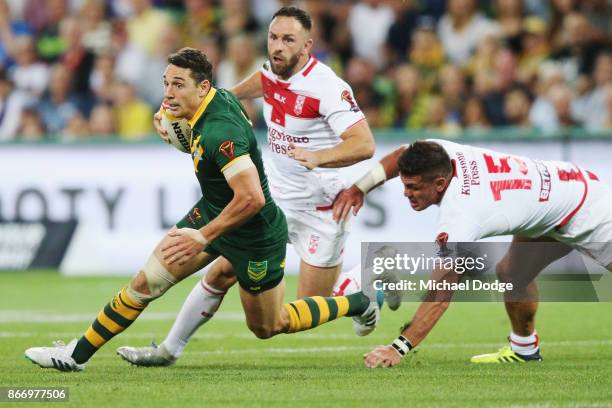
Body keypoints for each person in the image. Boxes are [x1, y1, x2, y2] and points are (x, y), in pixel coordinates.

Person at [23, 47, 380, 372]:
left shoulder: (221, 133)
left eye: (178, 85)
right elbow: (178, 122)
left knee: (270, 326)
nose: (168, 93)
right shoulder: (206, 101)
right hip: (213, 211)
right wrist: (163, 118)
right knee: (145, 283)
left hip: (255, 232)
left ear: (203, 87)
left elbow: (252, 198)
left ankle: (357, 301)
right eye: (166, 83)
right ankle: (75, 355)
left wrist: (204, 236)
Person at [116, 6, 385, 367]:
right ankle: (168, 350)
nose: (277, 46)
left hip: (321, 208)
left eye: (288, 40)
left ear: (308, 45)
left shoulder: (329, 88)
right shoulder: (272, 69)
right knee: (222, 269)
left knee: (304, 307)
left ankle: (369, 288)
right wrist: (203, 102)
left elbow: (364, 144)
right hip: (273, 199)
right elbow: (249, 87)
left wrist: (319, 156)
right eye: (273, 37)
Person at [332, 139, 612, 367]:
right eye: (405, 185)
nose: (406, 193)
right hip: (558, 195)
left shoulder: (461, 216)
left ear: (440, 184)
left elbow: (440, 296)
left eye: (414, 187)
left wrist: (398, 348)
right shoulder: (440, 153)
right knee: (512, 274)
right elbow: (400, 155)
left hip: (588, 209)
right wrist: (360, 188)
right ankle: (525, 350)